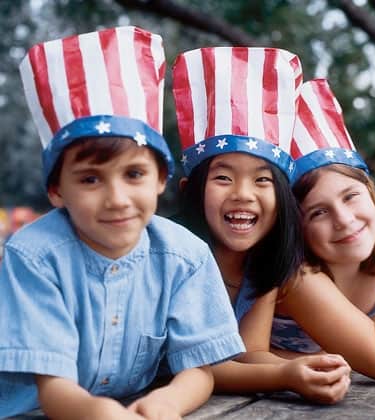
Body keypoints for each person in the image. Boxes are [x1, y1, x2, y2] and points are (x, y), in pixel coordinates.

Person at [0, 26, 245, 419]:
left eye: (134, 175)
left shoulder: (186, 257)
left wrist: (167, 402)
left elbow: (198, 368)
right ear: (57, 191)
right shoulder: (34, 257)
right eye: (90, 179)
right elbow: (53, 389)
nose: (117, 199)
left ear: (161, 180)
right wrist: (102, 414)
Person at [172, 46, 351, 404]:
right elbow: (203, 366)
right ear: (190, 190)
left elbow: (248, 352)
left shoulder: (262, 264)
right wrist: (285, 374)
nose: (243, 194)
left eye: (262, 180)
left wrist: (307, 367)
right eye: (223, 178)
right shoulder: (175, 259)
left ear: (283, 198)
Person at [271, 78, 375, 384]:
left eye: (351, 196)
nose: (343, 219)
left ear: (371, 192)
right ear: (297, 226)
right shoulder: (298, 277)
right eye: (318, 212)